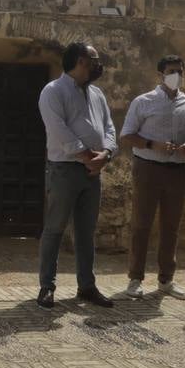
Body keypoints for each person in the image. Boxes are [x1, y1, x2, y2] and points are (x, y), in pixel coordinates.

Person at [37, 41, 119, 309]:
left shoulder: (96, 94)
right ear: (81, 62)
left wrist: (106, 154)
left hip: (93, 170)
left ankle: (86, 286)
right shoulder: (53, 91)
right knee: (55, 228)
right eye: (94, 60)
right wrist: (87, 157)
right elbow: (58, 130)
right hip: (65, 169)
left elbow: (108, 126)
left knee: (86, 231)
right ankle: (47, 287)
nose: (98, 65)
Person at [118, 54, 185, 300]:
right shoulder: (143, 101)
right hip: (148, 167)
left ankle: (166, 279)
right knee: (141, 224)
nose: (176, 75)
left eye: (179, 71)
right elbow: (126, 136)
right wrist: (151, 144)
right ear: (161, 74)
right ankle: (135, 279)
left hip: (178, 171)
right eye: (171, 71)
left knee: (171, 227)